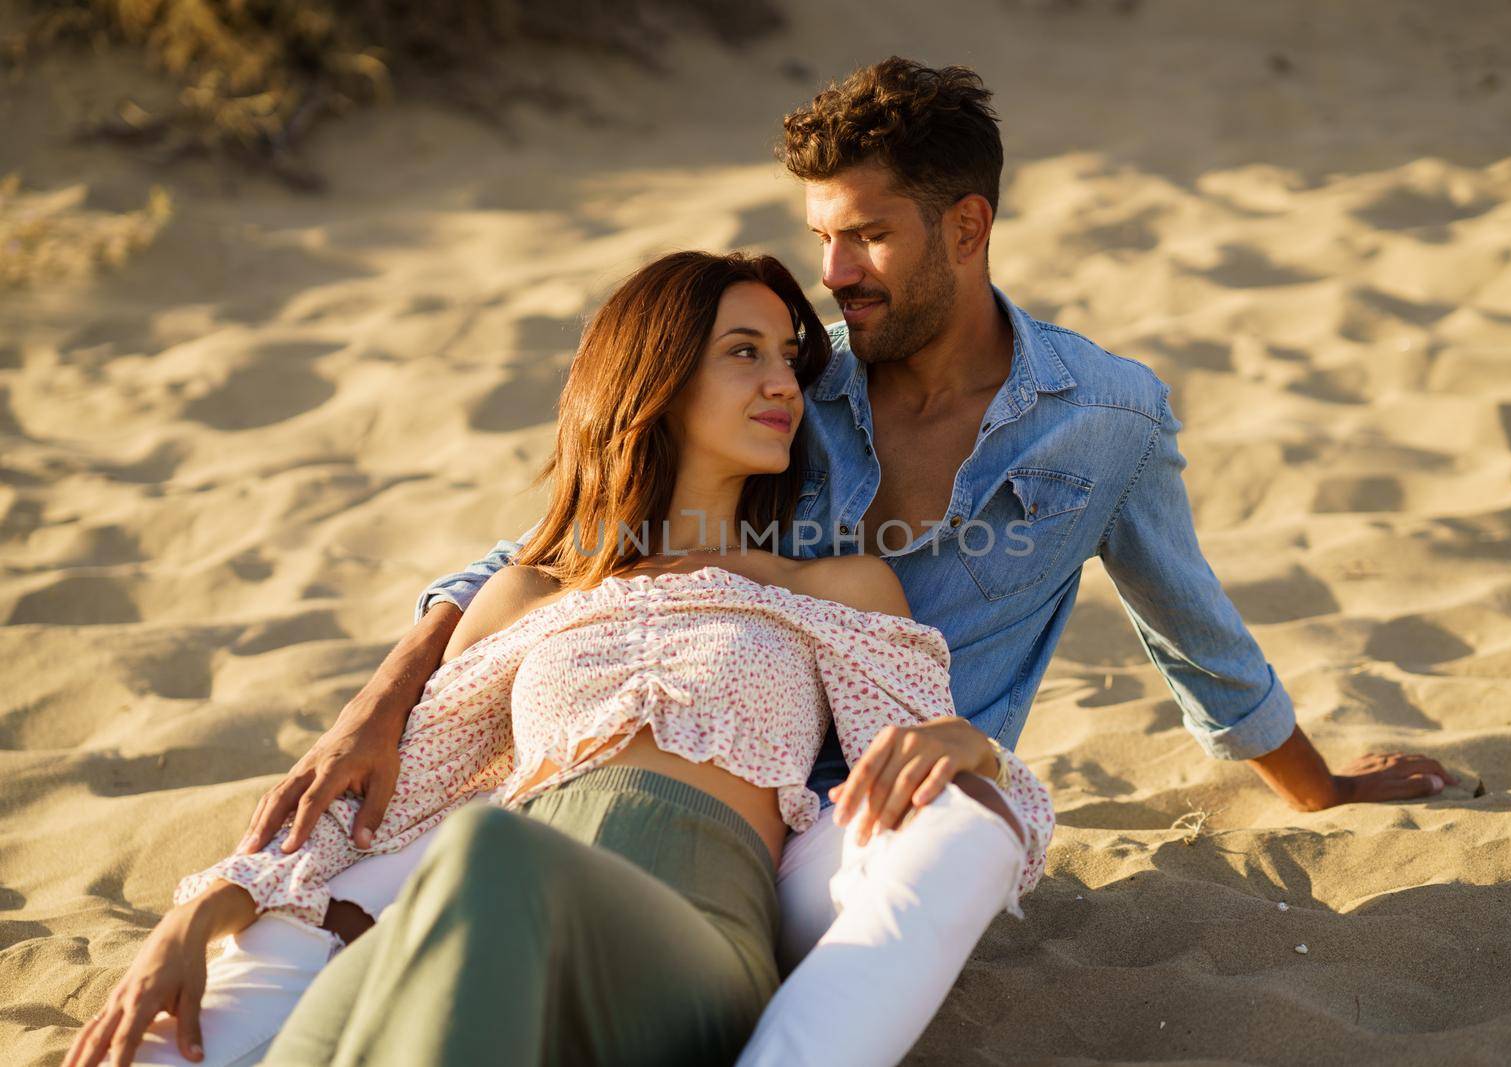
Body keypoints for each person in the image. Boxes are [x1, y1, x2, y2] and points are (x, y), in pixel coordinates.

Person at [77, 56, 1459, 1067]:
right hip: (612, 801)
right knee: (341, 929)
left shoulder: (1103, 419)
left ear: (964, 228)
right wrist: (379, 699)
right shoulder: (807, 397)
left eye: (863, 235)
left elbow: (1190, 625)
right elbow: (576, 547)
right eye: (819, 242)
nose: (833, 279)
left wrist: (1314, 780)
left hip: (848, 819)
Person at [65, 251, 1054, 1067]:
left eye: (790, 358)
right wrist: (195, 917)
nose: (782, 384)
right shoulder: (532, 595)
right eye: (743, 352)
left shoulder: (827, 588)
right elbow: (386, 810)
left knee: (486, 855)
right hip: (481, 923)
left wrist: (962, 741)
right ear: (655, 379)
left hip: (686, 942)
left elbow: (926, 763)